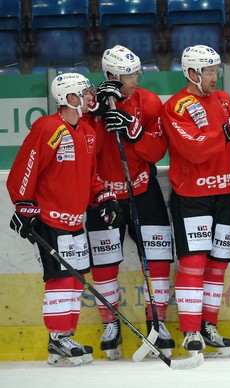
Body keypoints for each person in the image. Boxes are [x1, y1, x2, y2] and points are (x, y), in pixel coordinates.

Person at [6, 73, 122, 366]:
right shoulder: (48, 127)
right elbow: (24, 169)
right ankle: (59, 338)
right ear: (69, 98)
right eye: (83, 92)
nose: (89, 97)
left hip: (75, 221)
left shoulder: (88, 132)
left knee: (75, 280)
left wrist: (102, 197)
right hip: (49, 218)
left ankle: (63, 337)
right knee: (59, 279)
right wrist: (23, 205)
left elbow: (91, 176)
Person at [160, 45, 230, 357]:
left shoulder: (223, 100)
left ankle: (208, 325)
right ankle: (191, 330)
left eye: (216, 70)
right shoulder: (176, 106)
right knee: (194, 263)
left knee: (217, 265)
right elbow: (192, 148)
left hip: (223, 193)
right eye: (209, 71)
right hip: (192, 195)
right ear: (192, 73)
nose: (214, 76)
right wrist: (227, 130)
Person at [85, 45, 174, 360]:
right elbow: (85, 153)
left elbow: (157, 150)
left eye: (137, 72)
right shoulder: (89, 105)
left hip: (143, 191)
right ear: (110, 76)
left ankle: (157, 322)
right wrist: (96, 116)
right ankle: (111, 323)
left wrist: (134, 131)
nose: (135, 79)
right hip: (103, 196)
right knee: (105, 262)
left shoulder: (148, 101)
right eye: (128, 75)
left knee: (159, 258)